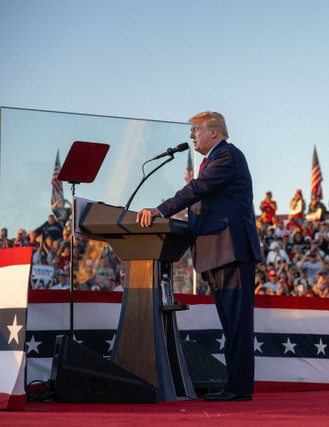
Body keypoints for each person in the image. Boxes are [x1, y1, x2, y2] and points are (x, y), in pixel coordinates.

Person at [136, 111, 262, 402]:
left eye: (196, 130)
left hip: (231, 251)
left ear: (214, 132)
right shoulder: (215, 158)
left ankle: (239, 387)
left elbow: (197, 189)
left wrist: (160, 210)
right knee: (231, 324)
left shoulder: (227, 156)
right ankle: (235, 384)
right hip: (218, 252)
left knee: (237, 323)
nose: (191, 135)